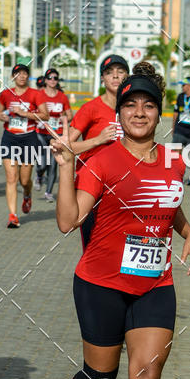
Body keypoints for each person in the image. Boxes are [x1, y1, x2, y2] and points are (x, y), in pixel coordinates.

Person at [49, 62, 190, 379]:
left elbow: (165, 203)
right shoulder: (103, 160)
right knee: (101, 378)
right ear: (119, 112)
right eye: (130, 104)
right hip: (101, 285)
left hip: (155, 285)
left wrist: (189, 233)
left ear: (159, 113)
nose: (139, 112)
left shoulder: (174, 161)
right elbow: (68, 221)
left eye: (148, 105)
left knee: (147, 375)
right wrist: (66, 166)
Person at [68, 53, 129, 245]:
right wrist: (98, 140)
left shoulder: (132, 109)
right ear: (102, 78)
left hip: (123, 186)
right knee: (93, 245)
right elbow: (65, 147)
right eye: (109, 72)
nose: (115, 76)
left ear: (127, 76)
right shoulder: (91, 108)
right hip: (92, 186)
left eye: (120, 71)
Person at [0, 63, 48, 228]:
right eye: (18, 73)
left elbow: (45, 115)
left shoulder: (35, 94)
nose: (22, 76)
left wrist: (24, 113)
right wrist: (2, 117)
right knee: (11, 178)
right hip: (9, 138)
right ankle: (13, 216)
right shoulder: (6, 94)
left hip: (28, 139)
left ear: (28, 76)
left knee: (24, 180)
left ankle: (27, 194)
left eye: (25, 73)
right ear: (13, 76)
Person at [38, 68, 72, 203]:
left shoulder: (62, 97)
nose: (53, 80)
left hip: (56, 133)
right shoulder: (38, 94)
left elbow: (70, 115)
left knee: (53, 164)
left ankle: (48, 192)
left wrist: (64, 117)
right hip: (40, 133)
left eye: (55, 78)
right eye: (50, 78)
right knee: (42, 164)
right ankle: (39, 175)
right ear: (45, 80)